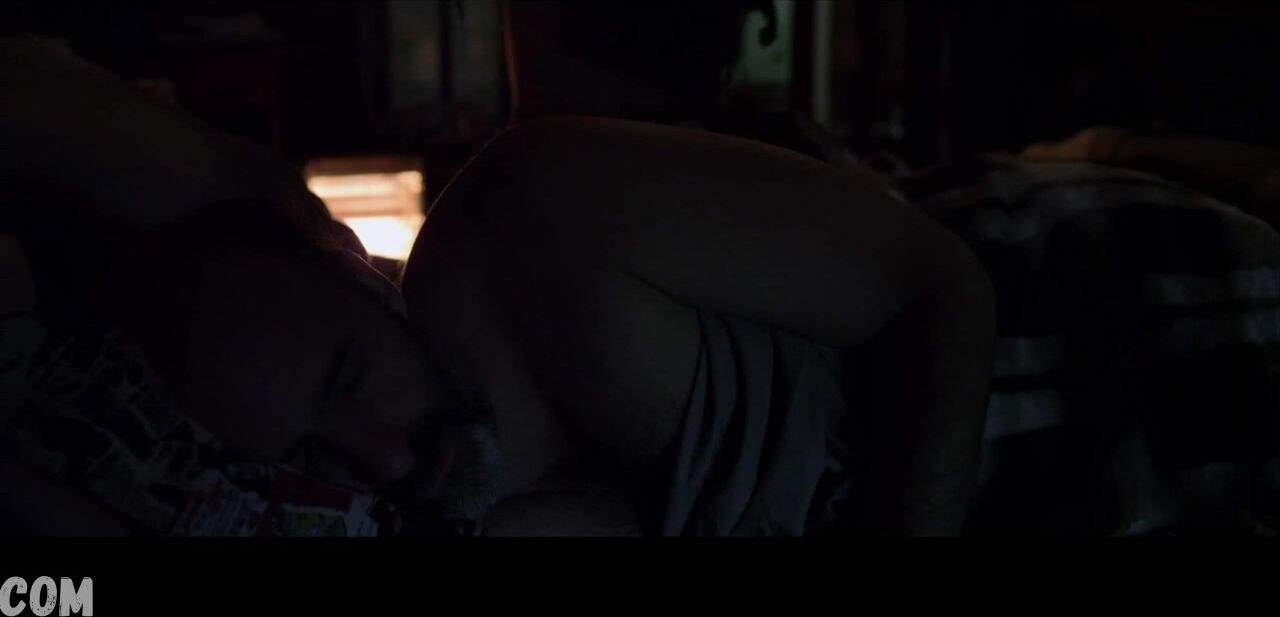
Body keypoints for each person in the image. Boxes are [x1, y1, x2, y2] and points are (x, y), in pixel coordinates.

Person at [1, 20, 995, 536]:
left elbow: (940, 286)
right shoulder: (441, 507)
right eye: (310, 450)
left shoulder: (534, 217)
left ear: (357, 268)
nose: (382, 456)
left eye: (349, 376)